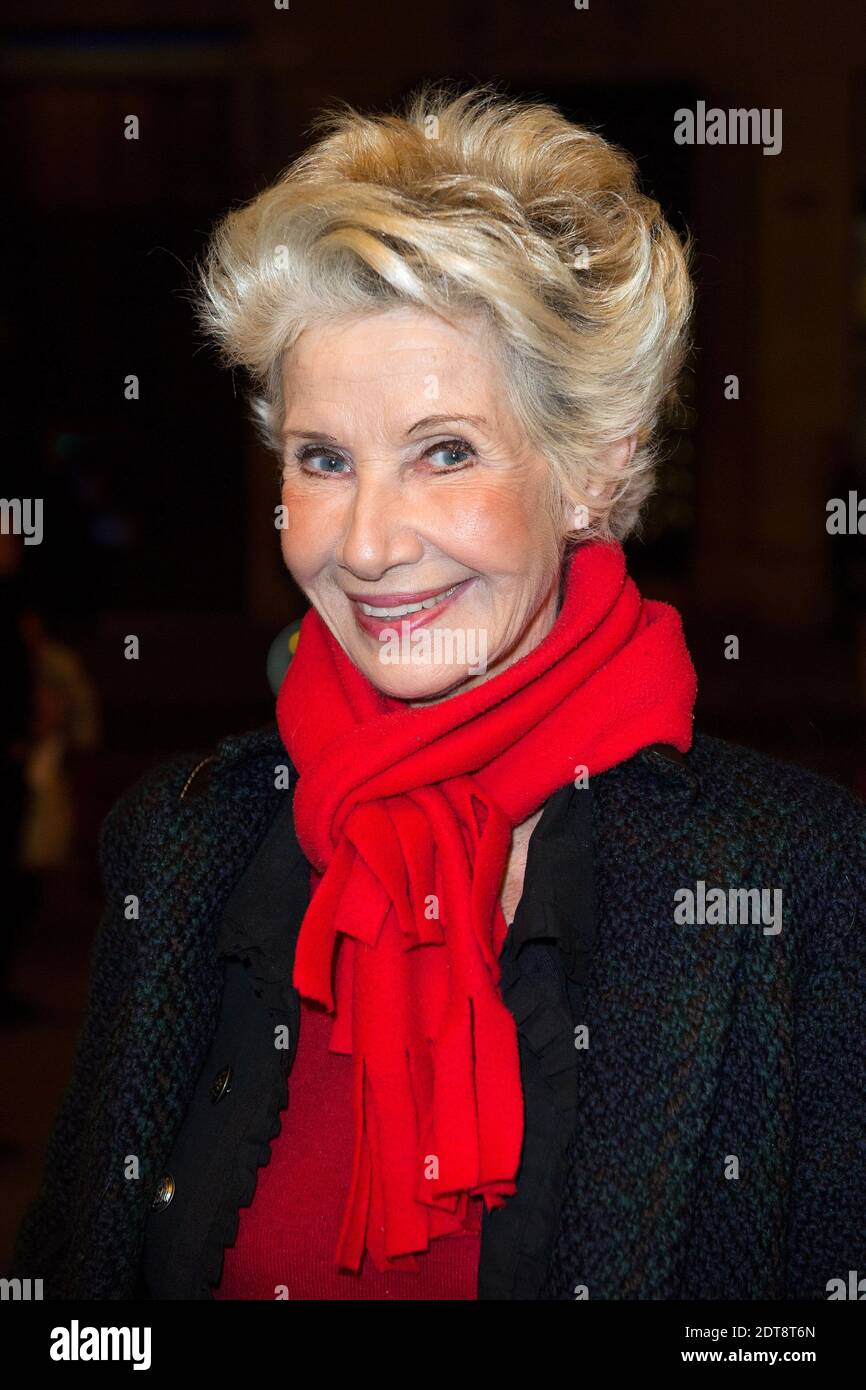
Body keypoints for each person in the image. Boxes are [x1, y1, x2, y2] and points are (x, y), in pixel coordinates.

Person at [11, 82, 865, 1301]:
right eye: (323, 459)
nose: (363, 544)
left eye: (443, 452)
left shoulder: (794, 876)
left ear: (592, 470)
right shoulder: (186, 840)